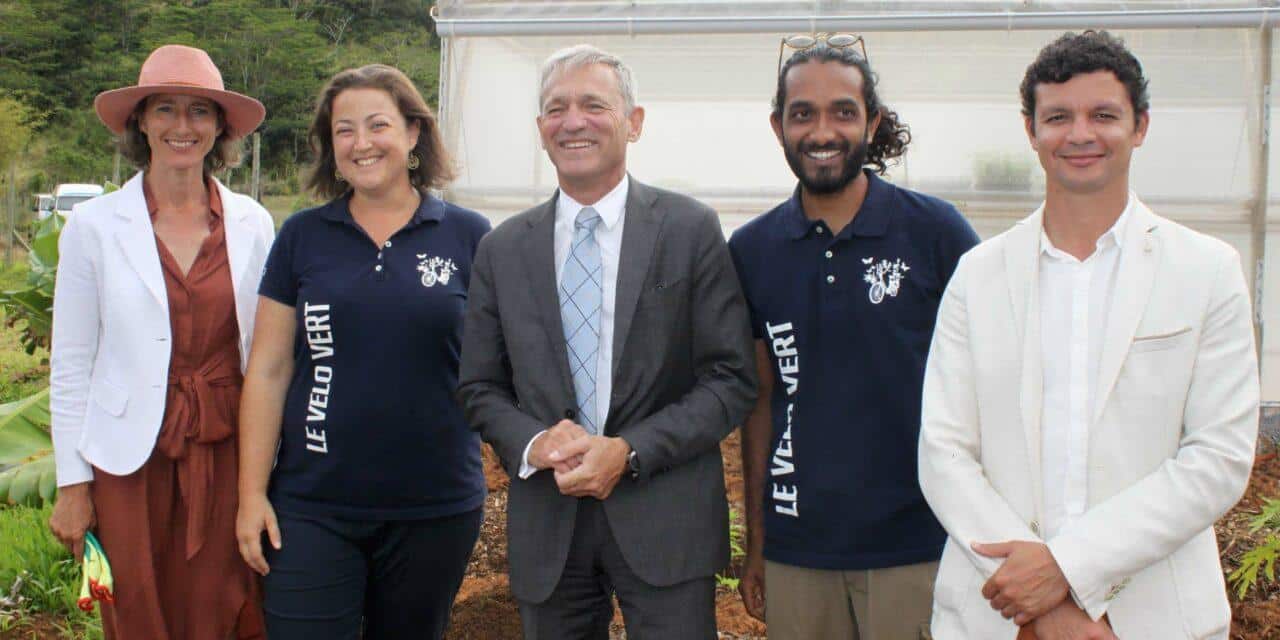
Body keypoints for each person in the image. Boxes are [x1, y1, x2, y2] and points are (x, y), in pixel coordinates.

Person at [919, 30, 1259, 639]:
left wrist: (1068, 570)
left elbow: (1218, 458)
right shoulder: (979, 273)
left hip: (1156, 620)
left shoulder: (1206, 270)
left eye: (1103, 115)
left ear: (1140, 126)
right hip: (998, 617)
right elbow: (943, 452)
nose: (1079, 134)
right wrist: (1042, 604)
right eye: (1057, 117)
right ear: (1031, 131)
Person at [457, 44, 756, 640]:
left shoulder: (689, 229)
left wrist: (631, 449)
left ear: (633, 122)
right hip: (550, 518)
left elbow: (730, 378)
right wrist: (537, 441)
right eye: (556, 108)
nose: (573, 121)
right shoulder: (504, 248)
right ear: (541, 128)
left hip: (666, 516)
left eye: (594, 104)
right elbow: (481, 387)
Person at [729, 37, 979, 640]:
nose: (822, 131)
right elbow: (760, 401)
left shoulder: (935, 232)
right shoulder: (752, 252)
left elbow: (987, 383)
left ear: (873, 122)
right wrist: (759, 542)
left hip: (919, 545)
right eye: (802, 113)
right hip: (798, 552)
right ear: (778, 126)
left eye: (843, 111)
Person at [235, 64, 489, 640]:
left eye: (378, 124)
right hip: (311, 504)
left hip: (434, 506)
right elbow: (270, 371)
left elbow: (499, 368)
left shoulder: (468, 236)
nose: (361, 142)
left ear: (413, 133)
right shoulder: (302, 236)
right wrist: (251, 495)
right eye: (343, 130)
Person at [47, 44, 273, 640]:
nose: (182, 126)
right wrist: (73, 485)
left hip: (228, 449)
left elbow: (269, 355)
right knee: (138, 606)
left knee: (226, 603)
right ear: (140, 120)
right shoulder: (94, 226)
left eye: (200, 111)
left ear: (220, 127)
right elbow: (70, 364)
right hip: (127, 460)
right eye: (165, 109)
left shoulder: (253, 223)